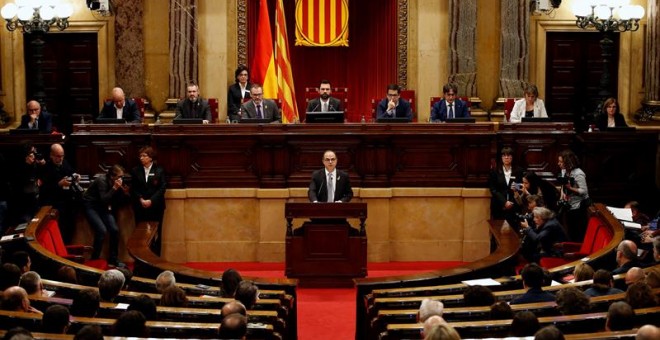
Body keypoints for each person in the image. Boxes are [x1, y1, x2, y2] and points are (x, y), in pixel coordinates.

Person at [82, 164, 130, 267]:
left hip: (104, 207)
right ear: (112, 176)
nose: (121, 179)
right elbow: (104, 199)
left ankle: (113, 259)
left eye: (122, 177)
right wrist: (114, 188)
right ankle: (94, 259)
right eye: (119, 177)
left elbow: (117, 201)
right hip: (92, 206)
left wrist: (124, 194)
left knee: (114, 229)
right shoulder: (101, 181)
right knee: (101, 230)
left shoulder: (118, 183)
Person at [39, 143, 80, 244]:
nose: (60, 159)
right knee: (60, 230)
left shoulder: (65, 163)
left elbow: (71, 172)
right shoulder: (46, 168)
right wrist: (59, 184)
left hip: (68, 202)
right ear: (51, 155)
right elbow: (44, 189)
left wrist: (76, 175)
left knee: (70, 228)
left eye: (62, 156)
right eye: (58, 156)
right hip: (55, 204)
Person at [130, 146, 166, 254]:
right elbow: (133, 188)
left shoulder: (159, 170)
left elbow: (162, 188)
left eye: (144, 156)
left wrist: (151, 201)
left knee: (156, 233)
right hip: (140, 206)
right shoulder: (135, 171)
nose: (141, 158)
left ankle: (156, 258)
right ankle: (141, 257)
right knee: (140, 233)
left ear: (150, 158)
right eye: (140, 156)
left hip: (156, 206)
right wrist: (141, 199)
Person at [557, 149, 590, 242]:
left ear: (568, 162)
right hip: (569, 206)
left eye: (561, 161)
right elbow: (563, 186)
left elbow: (584, 191)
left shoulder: (578, 173)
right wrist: (562, 195)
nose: (558, 164)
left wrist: (570, 188)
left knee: (577, 233)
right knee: (570, 231)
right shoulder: (564, 171)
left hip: (578, 208)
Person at [488, 147, 524, 227]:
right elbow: (493, 189)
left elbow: (521, 186)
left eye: (508, 155)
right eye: (504, 155)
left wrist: (511, 201)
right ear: (501, 158)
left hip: (514, 205)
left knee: (513, 231)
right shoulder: (495, 171)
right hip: (499, 205)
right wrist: (504, 202)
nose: (506, 157)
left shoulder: (519, 171)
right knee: (497, 230)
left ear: (512, 157)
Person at [11, 144, 43, 225]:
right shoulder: (18, 168)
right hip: (24, 207)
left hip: (35, 203)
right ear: (25, 156)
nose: (33, 155)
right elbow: (24, 187)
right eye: (31, 153)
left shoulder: (34, 165)